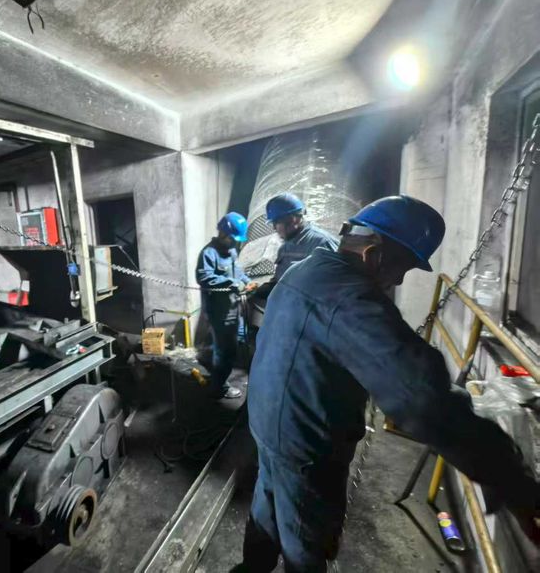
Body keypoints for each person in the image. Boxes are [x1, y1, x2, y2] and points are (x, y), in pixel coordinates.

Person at [241, 195, 539, 572]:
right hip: (307, 445)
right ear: (374, 252)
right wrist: (510, 476)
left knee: (267, 508)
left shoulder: (305, 269)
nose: (398, 280)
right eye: (403, 267)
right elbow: (423, 400)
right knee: (306, 542)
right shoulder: (351, 299)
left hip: (269, 423)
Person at [196, 212, 258, 399]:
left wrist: (247, 281)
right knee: (225, 351)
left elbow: (237, 272)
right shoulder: (209, 253)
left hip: (233, 307)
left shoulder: (231, 251)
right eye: (232, 238)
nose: (234, 243)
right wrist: (232, 283)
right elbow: (204, 277)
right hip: (219, 311)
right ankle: (219, 387)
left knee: (229, 344)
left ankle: (211, 358)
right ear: (223, 233)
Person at [255, 193, 338, 300]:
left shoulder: (322, 244)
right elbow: (281, 278)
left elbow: (337, 287)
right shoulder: (285, 248)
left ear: (294, 220)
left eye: (276, 223)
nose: (274, 228)